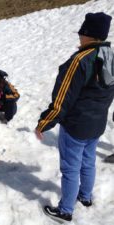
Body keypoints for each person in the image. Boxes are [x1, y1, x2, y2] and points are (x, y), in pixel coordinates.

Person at [35, 12, 114, 223]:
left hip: (76, 126)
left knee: (70, 168)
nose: (79, 36)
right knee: (88, 162)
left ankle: (65, 211)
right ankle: (85, 197)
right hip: (97, 124)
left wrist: (44, 123)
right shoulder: (110, 56)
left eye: (82, 32)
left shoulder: (79, 61)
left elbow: (62, 99)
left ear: (89, 34)